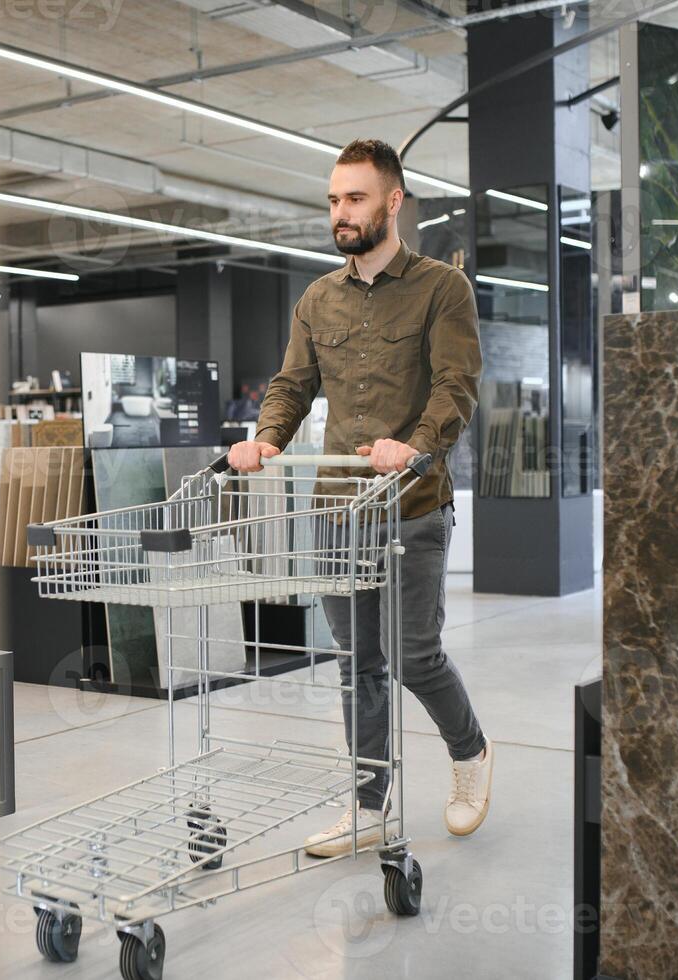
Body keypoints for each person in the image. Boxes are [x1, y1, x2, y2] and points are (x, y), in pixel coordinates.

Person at [227, 138, 492, 856]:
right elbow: (290, 384)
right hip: (336, 509)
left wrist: (417, 442)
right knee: (357, 663)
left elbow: (455, 384)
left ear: (392, 201)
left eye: (354, 198)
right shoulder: (317, 298)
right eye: (333, 200)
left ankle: (468, 752)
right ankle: (369, 804)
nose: (340, 213)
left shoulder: (442, 288)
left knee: (413, 654)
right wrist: (267, 437)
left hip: (411, 504)